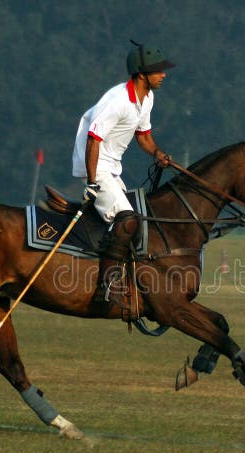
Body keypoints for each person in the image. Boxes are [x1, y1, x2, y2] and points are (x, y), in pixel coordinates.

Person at [71, 42, 175, 307]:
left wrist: (158, 154)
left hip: (111, 168)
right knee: (127, 221)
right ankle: (106, 288)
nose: (163, 75)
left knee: (137, 221)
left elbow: (144, 137)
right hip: (94, 166)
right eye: (158, 71)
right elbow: (93, 139)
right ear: (142, 74)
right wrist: (92, 181)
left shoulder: (147, 98)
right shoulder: (117, 101)